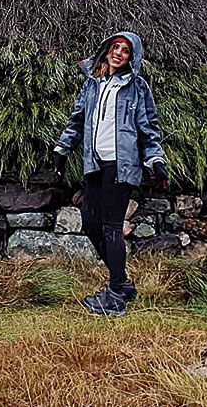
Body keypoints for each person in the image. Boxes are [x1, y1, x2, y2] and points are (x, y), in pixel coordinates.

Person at [52, 32, 168, 317]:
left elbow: (149, 128)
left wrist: (155, 160)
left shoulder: (137, 88)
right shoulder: (93, 83)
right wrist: (61, 149)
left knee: (110, 227)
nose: (119, 53)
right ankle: (123, 284)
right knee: (91, 225)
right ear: (106, 50)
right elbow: (77, 120)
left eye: (126, 51)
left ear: (132, 58)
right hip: (95, 163)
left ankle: (116, 294)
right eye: (115, 47)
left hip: (122, 165)